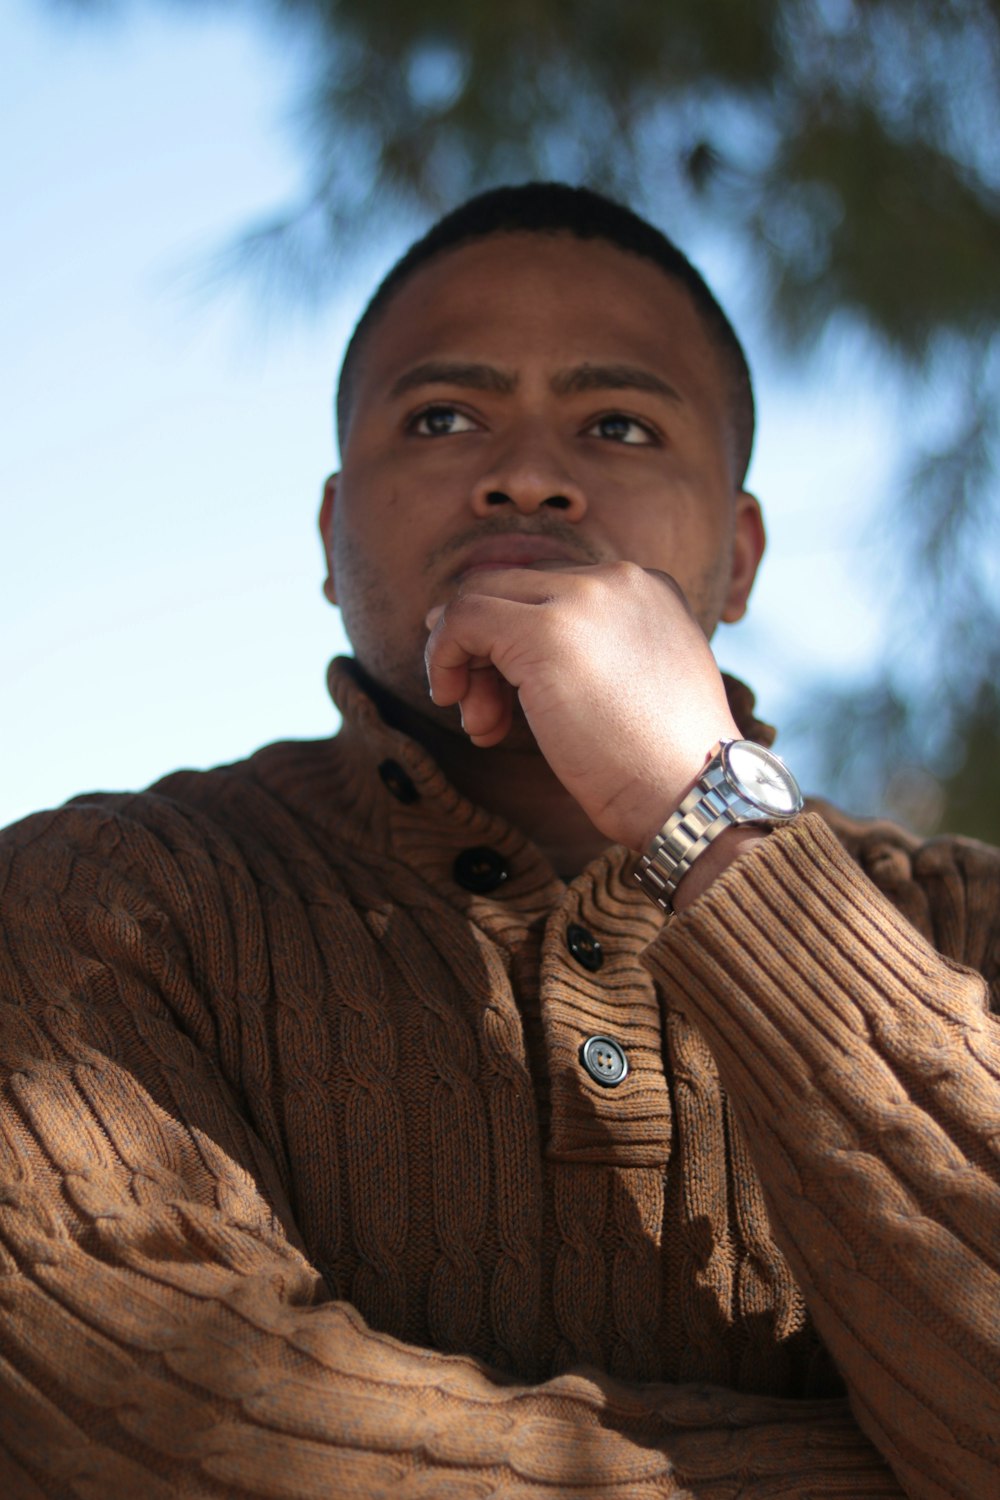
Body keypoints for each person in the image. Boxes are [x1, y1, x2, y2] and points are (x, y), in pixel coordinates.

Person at [0, 183, 996, 1500]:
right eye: (445, 416)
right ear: (330, 531)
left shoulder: (963, 926)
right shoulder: (98, 902)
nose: (527, 471)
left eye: (619, 424)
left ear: (740, 558)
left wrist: (709, 818)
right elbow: (142, 1437)